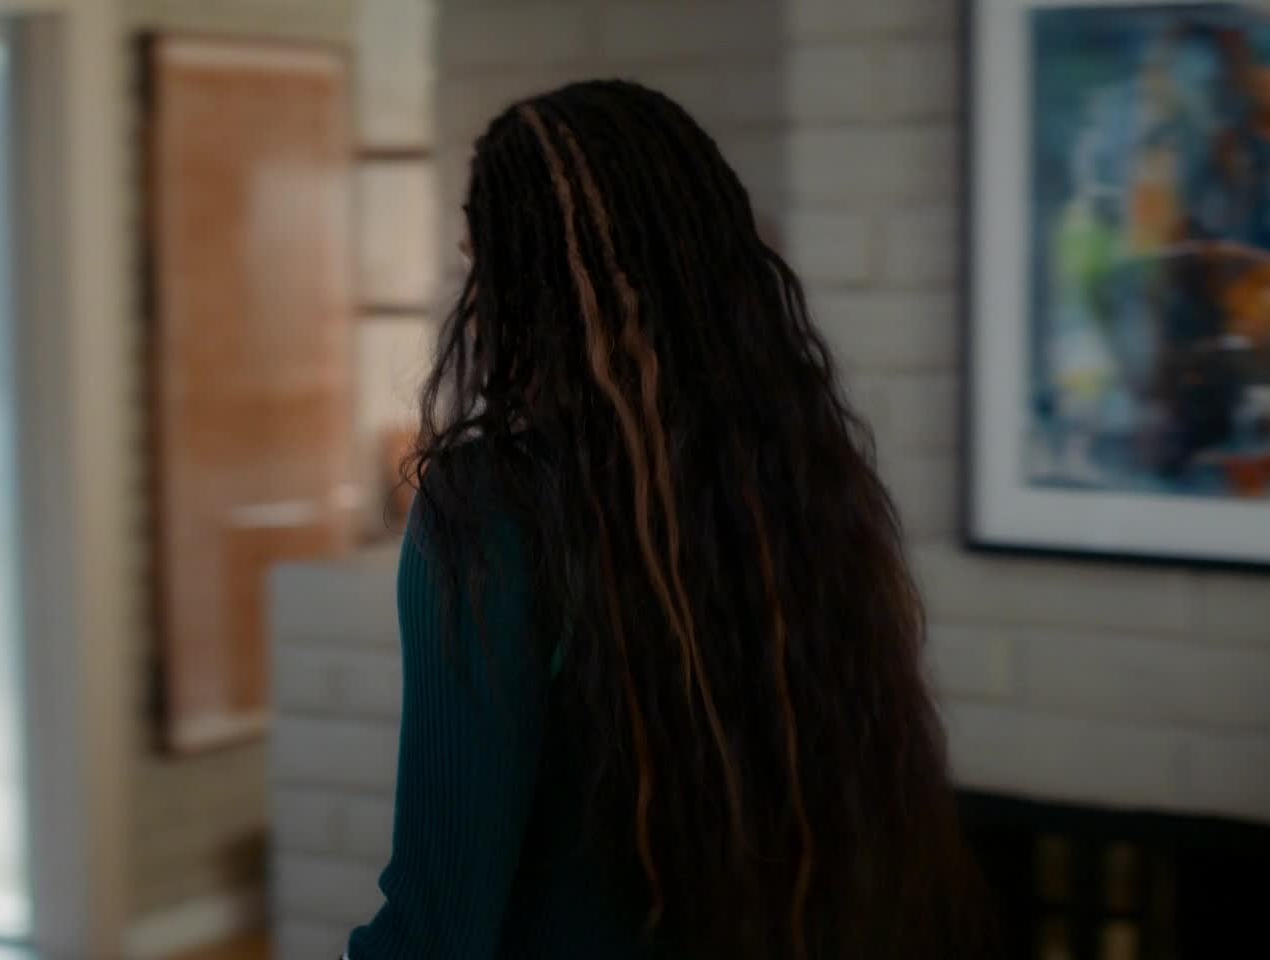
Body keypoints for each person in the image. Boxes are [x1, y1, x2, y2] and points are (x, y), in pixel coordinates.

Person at [344, 80, 993, 960]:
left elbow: (435, 930)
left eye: (482, 262)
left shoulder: (490, 509)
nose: (476, 296)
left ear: (525, 286)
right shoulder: (795, 485)